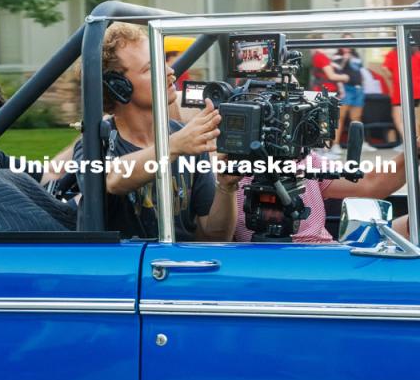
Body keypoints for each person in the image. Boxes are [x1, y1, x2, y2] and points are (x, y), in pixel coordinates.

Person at [74, 22, 239, 241]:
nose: (170, 71)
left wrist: (226, 187)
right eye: (150, 68)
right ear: (118, 87)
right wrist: (174, 146)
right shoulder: (94, 144)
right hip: (123, 271)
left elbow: (212, 238)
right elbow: (112, 179)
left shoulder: (186, 141)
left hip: (180, 269)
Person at [234, 146, 417, 243]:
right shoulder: (228, 170)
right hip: (260, 259)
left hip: (325, 255)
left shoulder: (304, 158)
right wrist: (225, 184)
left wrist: (414, 151)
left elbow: (371, 185)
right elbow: (214, 235)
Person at [382, 46, 420, 146]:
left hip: (401, 88)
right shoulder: (416, 54)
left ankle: (409, 143)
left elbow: (385, 68)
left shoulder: (394, 53)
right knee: (413, 118)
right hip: (415, 90)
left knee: (397, 117)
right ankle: (414, 143)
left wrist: (392, 76)